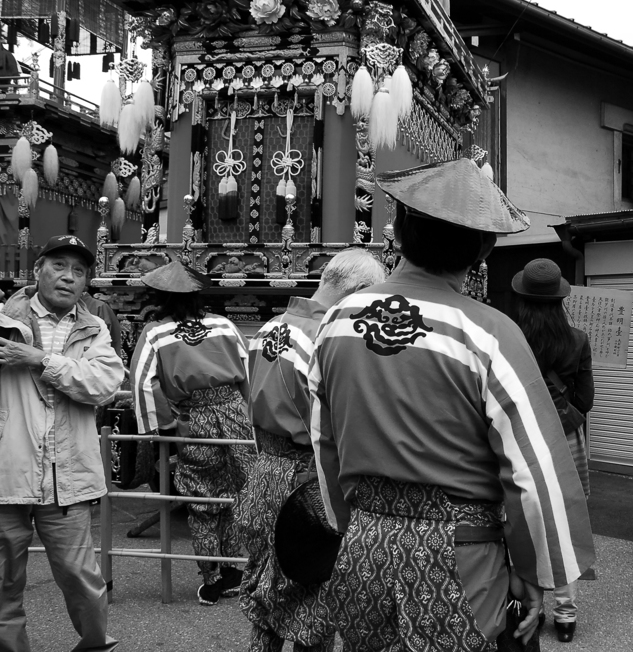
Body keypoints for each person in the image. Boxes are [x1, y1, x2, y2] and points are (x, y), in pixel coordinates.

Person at [310, 158, 595, 651]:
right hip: (460, 563)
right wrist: (534, 572)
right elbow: (533, 474)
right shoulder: (489, 333)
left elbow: (324, 443)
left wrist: (348, 528)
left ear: (397, 231)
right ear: (483, 249)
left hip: (364, 553)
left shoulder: (336, 320)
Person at [239, 248, 386, 652]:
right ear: (355, 290)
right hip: (308, 478)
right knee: (313, 597)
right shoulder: (330, 336)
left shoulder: (269, 327)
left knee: (267, 589)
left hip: (265, 471)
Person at [0, 235, 123, 652]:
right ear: (37, 270)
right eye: (58, 266)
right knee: (2, 584)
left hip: (66, 478)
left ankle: (94, 645)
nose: (68, 278)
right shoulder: (2, 321)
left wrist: (39, 360)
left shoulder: (94, 328)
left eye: (79, 271)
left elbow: (103, 384)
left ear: (87, 281)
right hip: (6, 476)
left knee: (81, 578)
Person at [130, 261, 253, 606]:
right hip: (234, 414)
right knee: (236, 494)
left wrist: (167, 424)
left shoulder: (156, 333)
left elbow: (142, 382)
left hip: (194, 418)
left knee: (202, 500)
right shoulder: (224, 325)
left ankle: (211, 578)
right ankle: (238, 569)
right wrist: (250, 416)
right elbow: (248, 373)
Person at [511, 258, 594, 644]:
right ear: (560, 298)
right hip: (566, 439)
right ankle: (566, 615)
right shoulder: (577, 339)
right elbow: (586, 400)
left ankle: (532, 607)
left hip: (520, 437)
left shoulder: (510, 336)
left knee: (524, 518)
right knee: (565, 521)